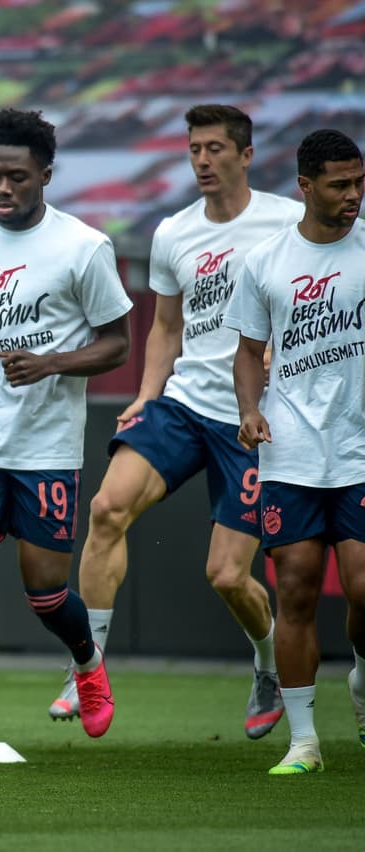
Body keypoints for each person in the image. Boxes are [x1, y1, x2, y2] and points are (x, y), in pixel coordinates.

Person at [48, 105, 302, 737]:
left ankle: (266, 665)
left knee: (226, 574)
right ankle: (90, 666)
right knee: (107, 508)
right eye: (194, 149)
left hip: (255, 418)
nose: (203, 161)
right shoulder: (174, 233)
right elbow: (165, 327)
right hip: (185, 405)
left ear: (245, 155)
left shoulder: (288, 222)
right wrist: (144, 394)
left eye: (216, 149)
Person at [0, 108, 132, 769]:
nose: (2, 188)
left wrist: (48, 363)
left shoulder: (83, 248)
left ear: (45, 175)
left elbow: (117, 345)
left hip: (43, 444)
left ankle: (86, 660)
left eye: (16, 176)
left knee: (45, 593)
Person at [224, 128, 365, 775]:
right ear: (305, 187)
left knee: (364, 586)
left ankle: (360, 676)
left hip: (359, 447)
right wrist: (250, 410)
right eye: (340, 184)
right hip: (291, 452)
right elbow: (249, 353)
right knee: (299, 591)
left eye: (359, 182)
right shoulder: (266, 262)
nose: (353, 195)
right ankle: (305, 741)